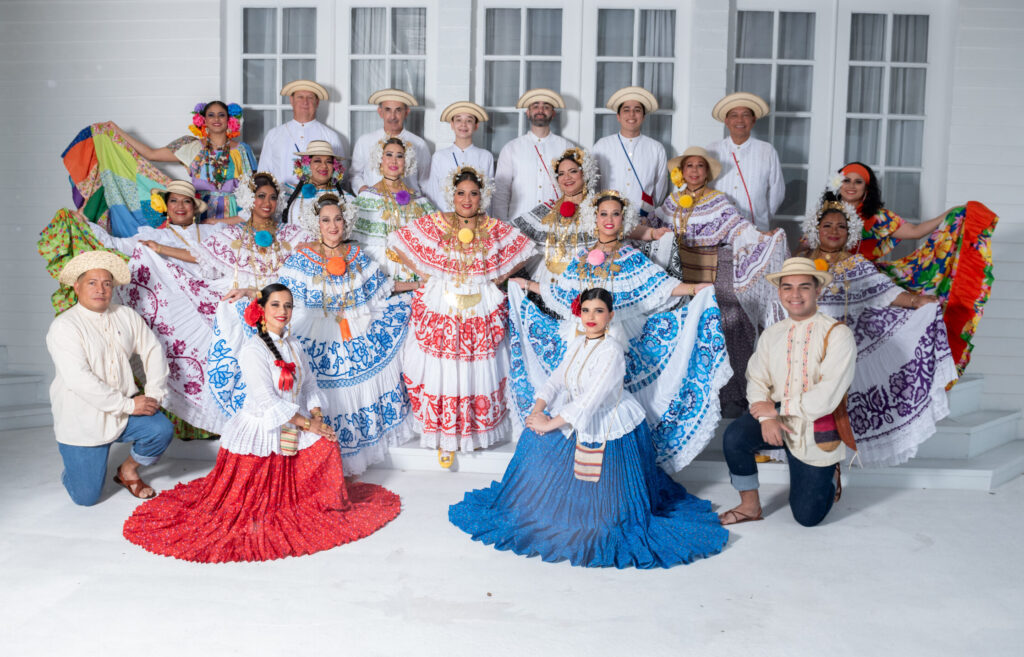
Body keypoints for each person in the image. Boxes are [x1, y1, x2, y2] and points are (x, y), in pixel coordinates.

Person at [450, 287, 728, 568]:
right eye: (586, 310)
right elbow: (556, 380)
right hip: (581, 413)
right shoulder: (579, 344)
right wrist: (537, 411)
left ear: (610, 315)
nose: (591, 317)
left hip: (611, 422)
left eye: (598, 311)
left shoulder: (612, 351)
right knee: (533, 440)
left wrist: (550, 423)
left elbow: (590, 401)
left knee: (604, 515)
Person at [122, 284, 401, 562]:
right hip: (263, 427)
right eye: (276, 305)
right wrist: (308, 424)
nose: (283, 311)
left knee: (327, 445)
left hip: (293, 422)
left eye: (288, 305)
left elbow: (309, 386)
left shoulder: (293, 345)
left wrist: (316, 417)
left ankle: (310, 502)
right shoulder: (254, 350)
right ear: (263, 310)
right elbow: (267, 401)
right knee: (254, 504)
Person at [507, 191, 732, 472]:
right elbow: (562, 292)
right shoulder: (582, 256)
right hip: (582, 332)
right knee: (573, 384)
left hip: (618, 333)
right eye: (603, 214)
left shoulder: (630, 256)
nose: (609, 220)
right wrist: (526, 286)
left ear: (623, 220)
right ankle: (570, 463)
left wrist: (694, 289)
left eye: (615, 214)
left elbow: (660, 287)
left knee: (612, 397)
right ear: (595, 218)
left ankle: (615, 464)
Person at [387, 166, 534, 467]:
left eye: (474, 193)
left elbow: (525, 249)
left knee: (476, 364)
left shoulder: (493, 227)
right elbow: (399, 241)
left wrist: (497, 277)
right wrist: (430, 274)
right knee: (442, 364)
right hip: (444, 300)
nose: (467, 199)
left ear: (483, 196)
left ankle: (474, 432)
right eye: (461, 193)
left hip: (479, 303)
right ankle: (443, 435)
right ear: (451, 195)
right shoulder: (437, 223)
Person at [795, 192, 957, 465]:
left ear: (850, 233)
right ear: (815, 229)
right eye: (827, 226)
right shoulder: (801, 262)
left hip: (844, 344)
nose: (834, 231)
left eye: (841, 227)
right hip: (805, 344)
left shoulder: (857, 264)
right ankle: (800, 451)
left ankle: (836, 455)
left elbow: (886, 293)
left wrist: (918, 301)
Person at [276, 193, 415, 475]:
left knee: (352, 391)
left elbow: (383, 286)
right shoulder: (302, 257)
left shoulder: (356, 255)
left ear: (346, 222)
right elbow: (280, 292)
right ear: (317, 225)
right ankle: (320, 461)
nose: (333, 225)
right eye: (326, 220)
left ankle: (346, 461)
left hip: (355, 330)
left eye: (337, 219)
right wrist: (248, 294)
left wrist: (421, 284)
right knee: (322, 393)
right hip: (315, 332)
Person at [642, 146, 787, 412]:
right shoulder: (671, 202)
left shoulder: (718, 201)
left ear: (707, 172)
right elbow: (651, 227)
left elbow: (739, 228)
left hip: (714, 268)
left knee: (730, 319)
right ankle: (676, 392)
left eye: (700, 166)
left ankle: (731, 394)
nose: (694, 171)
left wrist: (765, 238)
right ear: (682, 172)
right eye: (689, 166)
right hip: (678, 272)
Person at [719, 257, 856, 527]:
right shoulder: (773, 334)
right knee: (734, 437)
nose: (795, 295)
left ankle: (827, 475)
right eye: (787, 287)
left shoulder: (838, 334)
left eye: (804, 287)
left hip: (816, 427)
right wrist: (767, 417)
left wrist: (778, 410)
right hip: (777, 420)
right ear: (779, 292)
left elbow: (828, 394)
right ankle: (750, 506)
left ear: (818, 290)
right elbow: (756, 378)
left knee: (807, 518)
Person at [836, 162, 998, 375]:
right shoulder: (825, 213)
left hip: (865, 278)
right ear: (837, 183)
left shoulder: (877, 216)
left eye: (859, 182)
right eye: (847, 180)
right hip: (831, 280)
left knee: (906, 309)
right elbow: (808, 246)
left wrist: (953, 213)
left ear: (867, 188)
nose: (851, 186)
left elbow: (914, 231)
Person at [45, 251, 173, 505]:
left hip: (123, 414)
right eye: (92, 282)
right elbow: (80, 380)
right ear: (77, 286)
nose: (100, 289)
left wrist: (154, 394)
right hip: (82, 419)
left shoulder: (125, 315)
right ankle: (77, 469)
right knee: (87, 498)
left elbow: (152, 350)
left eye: (107, 283)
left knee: (161, 429)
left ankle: (127, 470)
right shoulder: (65, 326)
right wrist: (129, 405)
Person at [199, 172, 313, 430]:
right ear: (249, 199)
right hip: (249, 307)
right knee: (234, 308)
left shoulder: (292, 235)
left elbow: (312, 257)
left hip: (282, 305)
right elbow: (195, 256)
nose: (267, 202)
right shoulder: (232, 235)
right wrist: (160, 249)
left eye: (273, 197)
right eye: (261, 196)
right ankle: (250, 413)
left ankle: (286, 410)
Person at [111, 101, 257, 220]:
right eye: (211, 115)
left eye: (221, 115)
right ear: (204, 120)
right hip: (200, 214)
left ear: (229, 120)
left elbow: (253, 188)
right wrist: (117, 131)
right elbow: (151, 154)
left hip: (234, 215)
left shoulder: (242, 150)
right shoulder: (191, 146)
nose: (216, 119)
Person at [506, 147, 598, 288]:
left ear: (585, 173)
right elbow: (507, 232)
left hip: (584, 286)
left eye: (573, 171)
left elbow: (626, 229)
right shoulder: (546, 210)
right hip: (542, 284)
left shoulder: (599, 210)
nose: (566, 177)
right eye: (561, 174)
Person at [705, 93, 785, 232]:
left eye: (746, 115)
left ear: (753, 120)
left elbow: (777, 191)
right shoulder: (712, 149)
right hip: (718, 227)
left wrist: (762, 215)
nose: (740, 120)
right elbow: (704, 186)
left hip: (756, 228)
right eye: (734, 115)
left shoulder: (767, 150)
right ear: (726, 120)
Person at [492, 88, 574, 221]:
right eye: (535, 106)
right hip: (518, 224)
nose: (540, 110)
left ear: (553, 113)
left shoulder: (566, 147)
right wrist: (503, 225)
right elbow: (501, 192)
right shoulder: (511, 148)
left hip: (556, 225)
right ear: (528, 112)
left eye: (546, 107)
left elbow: (575, 189)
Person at [591, 86, 668, 219]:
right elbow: (593, 184)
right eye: (626, 110)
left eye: (637, 110)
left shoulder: (656, 148)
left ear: (643, 117)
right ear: (618, 116)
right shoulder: (602, 146)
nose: (632, 114)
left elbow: (660, 189)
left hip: (643, 219)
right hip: (609, 220)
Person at [257, 80, 344, 191]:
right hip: (281, 200)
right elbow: (263, 172)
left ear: (317, 102)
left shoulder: (330, 136)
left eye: (310, 98)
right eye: (300, 97)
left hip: (318, 201)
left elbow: (339, 175)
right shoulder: (274, 134)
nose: (305, 102)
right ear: (291, 100)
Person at [349, 89, 431, 194]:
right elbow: (355, 175)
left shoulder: (419, 144)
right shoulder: (364, 141)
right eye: (388, 110)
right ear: (380, 112)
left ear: (406, 112)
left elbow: (426, 182)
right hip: (373, 204)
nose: (393, 116)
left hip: (408, 204)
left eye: (398, 110)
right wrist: (364, 190)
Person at [424, 101, 495, 210]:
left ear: (476, 125)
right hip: (446, 218)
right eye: (458, 120)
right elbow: (432, 193)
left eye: (469, 120)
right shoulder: (440, 157)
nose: (463, 125)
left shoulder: (485, 157)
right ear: (452, 124)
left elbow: (489, 195)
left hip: (476, 221)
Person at [281, 140, 347, 225]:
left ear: (334, 167)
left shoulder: (345, 199)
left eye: (329, 161)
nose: (324, 166)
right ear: (306, 165)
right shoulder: (286, 193)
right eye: (317, 161)